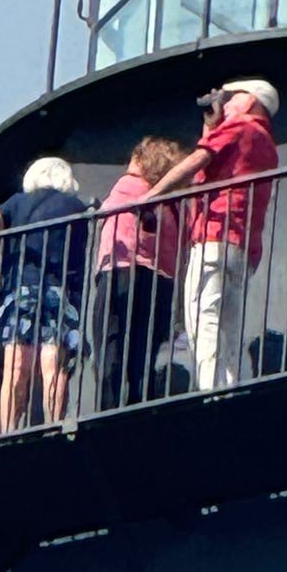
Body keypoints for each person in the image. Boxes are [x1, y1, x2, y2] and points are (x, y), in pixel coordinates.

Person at [146, 80, 279, 392]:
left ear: (251, 100)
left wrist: (152, 195)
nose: (226, 103)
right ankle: (232, 385)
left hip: (214, 235)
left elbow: (199, 159)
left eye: (232, 98)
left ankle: (209, 388)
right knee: (230, 324)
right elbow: (214, 163)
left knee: (202, 314)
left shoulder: (240, 125)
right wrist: (211, 123)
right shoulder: (267, 143)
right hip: (244, 246)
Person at [0, 157, 90, 432]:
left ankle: (8, 429)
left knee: (16, 364)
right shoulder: (75, 206)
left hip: (21, 286)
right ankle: (54, 424)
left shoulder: (18, 202)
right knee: (54, 362)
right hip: (58, 289)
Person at [93, 136, 187, 410]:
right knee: (145, 352)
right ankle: (141, 405)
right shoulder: (175, 203)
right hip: (161, 280)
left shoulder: (129, 184)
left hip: (121, 270)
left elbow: (104, 214)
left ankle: (108, 410)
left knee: (110, 346)